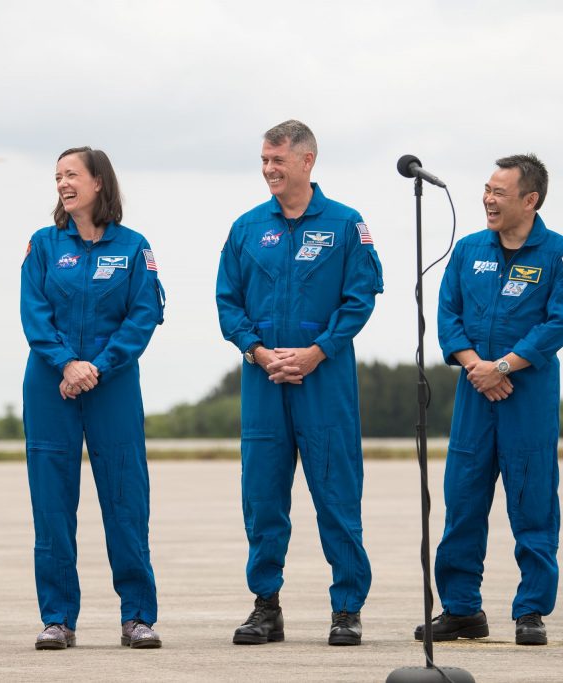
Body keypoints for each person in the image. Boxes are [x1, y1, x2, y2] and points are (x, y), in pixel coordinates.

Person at [216, 120, 383, 647]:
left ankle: (347, 608)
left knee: (337, 495)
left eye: (278, 160)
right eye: (264, 160)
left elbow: (360, 299)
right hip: (263, 381)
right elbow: (228, 303)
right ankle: (266, 607)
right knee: (262, 498)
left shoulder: (344, 224)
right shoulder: (246, 229)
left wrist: (317, 353)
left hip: (324, 381)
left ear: (307, 161)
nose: (269, 169)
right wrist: (259, 351)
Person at [416, 154, 563, 646]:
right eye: (486, 190)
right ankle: (462, 610)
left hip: (526, 396)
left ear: (529, 201)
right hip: (475, 395)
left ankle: (530, 611)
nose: (488, 199)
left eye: (500, 192)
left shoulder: (562, 255)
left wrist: (505, 366)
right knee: (463, 502)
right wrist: (477, 367)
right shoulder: (468, 250)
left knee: (532, 503)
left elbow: (561, 321)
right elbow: (448, 315)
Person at [19, 147, 166, 650]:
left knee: (126, 501)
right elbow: (34, 314)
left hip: (113, 385)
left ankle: (137, 617)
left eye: (72, 174)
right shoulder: (42, 245)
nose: (62, 183)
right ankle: (58, 618)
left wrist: (96, 367)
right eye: (57, 176)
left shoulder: (133, 248)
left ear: (99, 181)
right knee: (52, 504)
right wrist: (66, 363)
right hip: (50, 385)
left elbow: (144, 315)